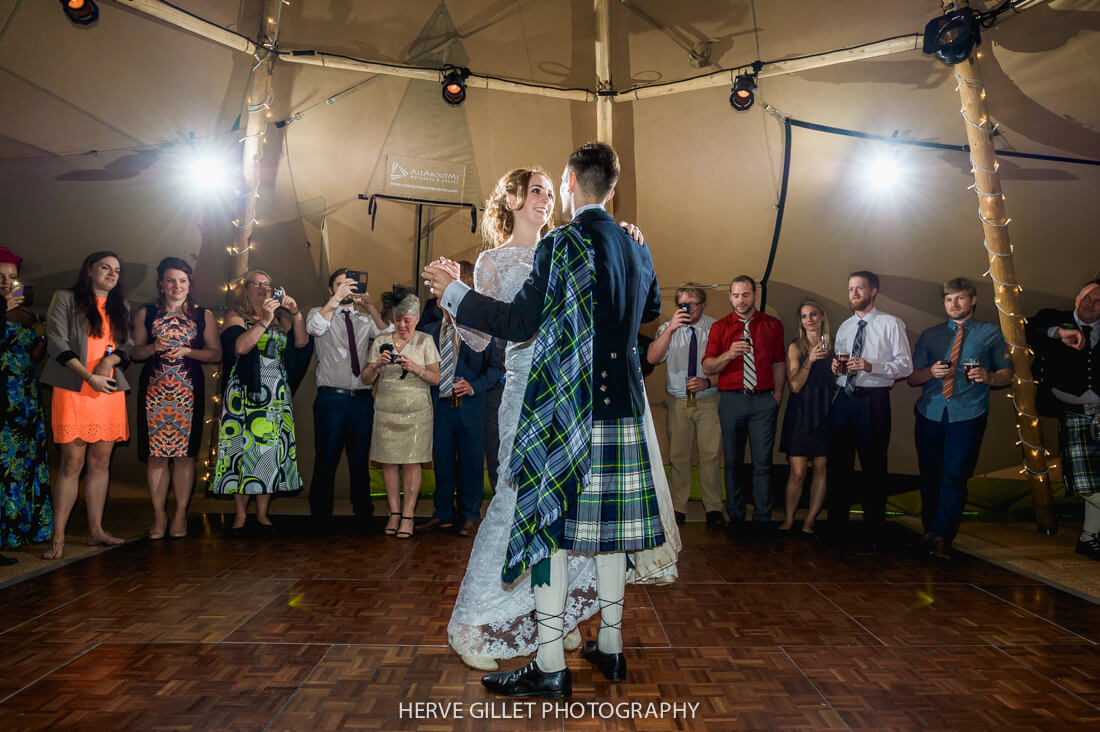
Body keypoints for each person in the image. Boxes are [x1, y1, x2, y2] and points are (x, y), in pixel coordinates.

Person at [425, 142, 669, 699]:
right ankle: (610, 645)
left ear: (567, 181)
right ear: (612, 186)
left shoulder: (561, 242)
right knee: (609, 534)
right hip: (625, 411)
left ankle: (552, 663)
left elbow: (519, 319)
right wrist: (634, 247)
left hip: (566, 410)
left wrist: (456, 293)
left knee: (550, 531)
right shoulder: (637, 245)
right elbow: (650, 307)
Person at [907, 278, 1012, 559]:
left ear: (973, 300)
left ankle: (943, 536)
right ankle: (929, 530)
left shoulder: (990, 333)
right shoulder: (930, 335)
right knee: (930, 476)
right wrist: (930, 372)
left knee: (954, 477)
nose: (954, 304)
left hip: (968, 415)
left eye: (960, 298)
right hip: (930, 414)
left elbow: (1007, 373)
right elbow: (912, 378)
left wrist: (989, 377)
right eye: (948, 300)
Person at [40, 251, 132, 559]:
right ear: (90, 270)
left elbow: (127, 346)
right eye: (105, 267)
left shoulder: (121, 305)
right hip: (75, 387)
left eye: (116, 270)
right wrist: (89, 377)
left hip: (108, 390)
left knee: (101, 462)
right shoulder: (65, 298)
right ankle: (59, 538)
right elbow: (56, 344)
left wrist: (110, 360)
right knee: (72, 462)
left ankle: (96, 530)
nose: (112, 273)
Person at [210, 269, 307, 535]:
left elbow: (301, 342)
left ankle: (263, 512)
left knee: (268, 453)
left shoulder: (281, 319)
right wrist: (263, 320)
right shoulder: (235, 316)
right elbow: (240, 347)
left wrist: (295, 312)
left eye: (268, 284)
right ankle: (240, 513)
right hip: (244, 392)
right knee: (242, 449)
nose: (264, 288)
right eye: (257, 284)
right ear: (246, 289)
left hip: (275, 392)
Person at [132, 258, 221, 540]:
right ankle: (159, 515)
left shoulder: (201, 314)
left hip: (188, 392)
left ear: (189, 283)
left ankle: (180, 513)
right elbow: (133, 353)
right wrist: (151, 348)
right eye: (171, 280)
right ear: (161, 283)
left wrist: (187, 352)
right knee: (156, 457)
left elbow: (216, 354)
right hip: (154, 393)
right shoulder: (146, 313)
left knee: (185, 457)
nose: (176, 286)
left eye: (182, 280)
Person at [826, 271, 913, 549]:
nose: (853, 293)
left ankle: (874, 531)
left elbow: (906, 366)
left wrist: (870, 366)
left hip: (873, 400)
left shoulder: (890, 323)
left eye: (859, 288)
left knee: (874, 465)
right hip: (843, 398)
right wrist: (835, 370)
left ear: (873, 291)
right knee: (839, 465)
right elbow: (839, 364)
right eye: (850, 288)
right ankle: (836, 529)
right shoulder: (845, 327)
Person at [420, 261, 503, 537]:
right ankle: (442, 513)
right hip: (440, 404)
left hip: (471, 405)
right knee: (441, 460)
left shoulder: (480, 330)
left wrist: (474, 386)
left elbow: (495, 370)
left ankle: (470, 514)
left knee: (470, 463)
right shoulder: (430, 331)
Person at [304, 268, 387, 534]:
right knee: (326, 459)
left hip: (361, 399)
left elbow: (389, 335)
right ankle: (320, 518)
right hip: (332, 398)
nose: (344, 289)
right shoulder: (320, 313)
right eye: (339, 285)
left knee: (360, 460)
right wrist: (335, 300)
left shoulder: (364, 319)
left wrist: (371, 306)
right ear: (331, 289)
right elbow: (314, 328)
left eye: (348, 285)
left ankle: (363, 516)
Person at [701, 275, 786, 534]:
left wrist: (778, 394)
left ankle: (762, 517)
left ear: (755, 295)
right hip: (731, 400)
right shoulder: (721, 328)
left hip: (763, 401)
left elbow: (778, 362)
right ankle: (736, 515)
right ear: (730, 297)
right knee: (733, 460)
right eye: (736, 295)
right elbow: (707, 365)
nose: (740, 300)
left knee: (763, 462)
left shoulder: (773, 325)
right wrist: (728, 354)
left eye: (745, 295)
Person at [1026, 279, 1100, 561]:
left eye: (1098, 300)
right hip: (1072, 412)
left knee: (1098, 481)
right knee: (1083, 483)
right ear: (1077, 298)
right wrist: (1058, 332)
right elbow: (1025, 329)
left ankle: (1088, 537)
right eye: (1087, 297)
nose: (1091, 304)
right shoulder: (1052, 318)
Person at [361, 291, 440, 539]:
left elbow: (437, 378)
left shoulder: (425, 341)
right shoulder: (380, 341)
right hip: (386, 410)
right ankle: (394, 513)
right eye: (398, 320)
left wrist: (416, 369)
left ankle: (408, 515)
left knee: (412, 463)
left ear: (416, 319)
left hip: (417, 412)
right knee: (388, 463)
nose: (402, 325)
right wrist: (377, 365)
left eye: (407, 320)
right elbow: (365, 379)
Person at [647, 283, 723, 528]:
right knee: (679, 456)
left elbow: (733, 368)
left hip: (707, 399)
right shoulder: (668, 328)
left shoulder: (716, 328)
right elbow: (652, 358)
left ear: (702, 304)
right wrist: (670, 329)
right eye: (683, 304)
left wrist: (709, 381)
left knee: (710, 455)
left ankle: (713, 508)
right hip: (679, 400)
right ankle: (678, 507)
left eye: (692, 304)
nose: (688, 309)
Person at [0, 247, 51, 565]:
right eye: (0, 277)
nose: (7, 283)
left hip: (25, 397)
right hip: (2, 399)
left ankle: (19, 533)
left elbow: (31, 354)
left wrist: (42, 334)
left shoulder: (24, 311)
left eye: (12, 277)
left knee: (23, 464)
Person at [778, 300, 833, 535]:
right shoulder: (795, 347)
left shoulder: (835, 346)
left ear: (822, 318)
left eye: (813, 315)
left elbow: (843, 381)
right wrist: (809, 359)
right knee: (798, 472)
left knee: (821, 468)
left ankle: (810, 520)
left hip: (826, 411)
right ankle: (789, 519)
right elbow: (796, 386)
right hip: (801, 413)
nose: (809, 319)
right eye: (803, 316)